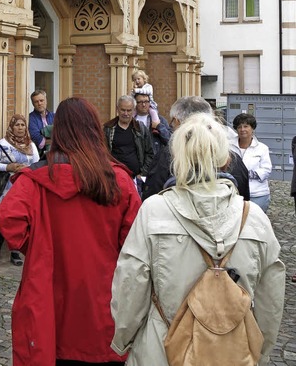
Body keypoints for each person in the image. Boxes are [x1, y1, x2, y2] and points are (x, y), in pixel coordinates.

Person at [111, 113, 285, 366]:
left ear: (178, 158)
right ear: (226, 159)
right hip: (233, 352)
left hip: (162, 348)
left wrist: (123, 339)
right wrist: (261, 348)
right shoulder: (254, 217)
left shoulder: (154, 210)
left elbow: (130, 283)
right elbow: (271, 295)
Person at [0, 97, 141, 365]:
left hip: (52, 299)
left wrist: (39, 246)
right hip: (105, 302)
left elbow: (7, 218)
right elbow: (134, 241)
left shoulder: (37, 179)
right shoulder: (118, 179)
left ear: (57, 130)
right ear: (94, 129)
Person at [142, 96, 250, 201]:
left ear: (177, 122)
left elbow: (152, 196)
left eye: (172, 123)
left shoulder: (168, 156)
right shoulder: (232, 157)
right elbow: (242, 198)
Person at [0, 114, 39, 268]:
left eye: (23, 125)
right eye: (17, 125)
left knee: (21, 218)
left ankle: (15, 251)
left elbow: (37, 163)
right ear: (11, 127)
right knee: (2, 218)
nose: (20, 128)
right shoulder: (2, 144)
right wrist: (7, 167)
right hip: (7, 186)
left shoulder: (31, 145)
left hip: (25, 186)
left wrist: (27, 169)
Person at [103, 95, 154, 195]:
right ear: (117, 109)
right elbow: (102, 153)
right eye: (123, 110)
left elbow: (150, 153)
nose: (126, 113)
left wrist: (142, 173)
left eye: (129, 110)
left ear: (133, 110)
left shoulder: (140, 128)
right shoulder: (108, 129)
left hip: (135, 180)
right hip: (114, 179)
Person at [229, 113, 272, 213]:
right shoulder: (228, 146)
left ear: (252, 128)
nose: (242, 129)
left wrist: (247, 174)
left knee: (256, 224)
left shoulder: (262, 148)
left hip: (257, 194)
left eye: (246, 126)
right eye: (239, 127)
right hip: (235, 194)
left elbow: (266, 169)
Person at [28, 90, 55, 157]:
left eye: (41, 100)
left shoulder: (55, 116)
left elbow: (61, 133)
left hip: (56, 152)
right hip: (39, 155)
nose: (39, 103)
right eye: (36, 102)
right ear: (33, 104)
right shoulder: (30, 118)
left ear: (46, 101)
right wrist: (55, 141)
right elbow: (36, 138)